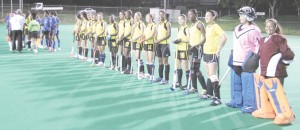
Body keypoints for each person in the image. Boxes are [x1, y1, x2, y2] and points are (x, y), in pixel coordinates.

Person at [226, 6, 261, 113]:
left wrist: (254, 59)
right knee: (236, 82)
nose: (240, 17)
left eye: (242, 15)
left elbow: (258, 46)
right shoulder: (237, 28)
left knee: (248, 84)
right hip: (236, 59)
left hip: (247, 61)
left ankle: (250, 105)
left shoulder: (254, 30)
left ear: (248, 16)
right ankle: (236, 101)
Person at [200, 10, 227, 106]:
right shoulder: (208, 27)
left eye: (208, 16)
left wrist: (219, 48)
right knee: (209, 74)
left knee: (213, 75)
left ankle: (218, 98)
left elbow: (224, 37)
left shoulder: (215, 27)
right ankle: (209, 93)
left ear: (213, 17)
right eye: (205, 15)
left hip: (212, 54)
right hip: (206, 53)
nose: (206, 17)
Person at [259, 19, 294, 85]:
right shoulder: (262, 40)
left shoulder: (278, 38)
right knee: (266, 94)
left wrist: (283, 63)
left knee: (276, 95)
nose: (268, 28)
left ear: (275, 27)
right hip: (264, 73)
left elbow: (289, 54)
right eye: (267, 26)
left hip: (276, 73)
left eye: (270, 26)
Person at [187, 9, 207, 93]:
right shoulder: (192, 25)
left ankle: (205, 89)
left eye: (191, 14)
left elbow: (205, 37)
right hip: (191, 48)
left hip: (197, 49)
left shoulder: (200, 24)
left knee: (196, 69)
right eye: (188, 15)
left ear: (196, 14)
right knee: (191, 69)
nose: (189, 16)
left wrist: (197, 45)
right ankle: (194, 88)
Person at [153, 10, 171, 85]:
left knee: (165, 62)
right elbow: (156, 33)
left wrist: (159, 40)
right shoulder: (158, 24)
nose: (161, 16)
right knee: (160, 61)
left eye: (162, 15)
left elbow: (168, 35)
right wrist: (155, 40)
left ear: (165, 16)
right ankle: (160, 77)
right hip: (158, 45)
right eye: (160, 15)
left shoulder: (167, 23)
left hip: (165, 45)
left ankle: (166, 79)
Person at [173, 14, 190, 89]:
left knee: (186, 67)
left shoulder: (186, 28)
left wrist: (181, 40)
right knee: (178, 66)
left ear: (185, 20)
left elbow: (189, 40)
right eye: (179, 19)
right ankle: (179, 82)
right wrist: (176, 41)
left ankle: (188, 84)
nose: (180, 21)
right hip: (178, 49)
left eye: (181, 19)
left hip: (184, 50)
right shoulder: (179, 28)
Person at [131, 12, 145, 78]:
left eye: (137, 16)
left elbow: (142, 33)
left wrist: (135, 38)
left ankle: (142, 72)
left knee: (138, 57)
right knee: (137, 57)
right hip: (134, 42)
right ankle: (139, 71)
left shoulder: (141, 24)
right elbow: (132, 33)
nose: (136, 17)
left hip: (139, 42)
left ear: (140, 17)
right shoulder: (134, 24)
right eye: (135, 16)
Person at [143, 13, 157, 79]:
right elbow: (144, 34)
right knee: (147, 59)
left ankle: (152, 75)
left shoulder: (153, 25)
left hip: (151, 44)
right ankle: (149, 73)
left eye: (148, 17)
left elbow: (152, 35)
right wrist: (141, 39)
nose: (147, 19)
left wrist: (145, 39)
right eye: (146, 18)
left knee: (151, 60)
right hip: (145, 43)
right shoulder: (147, 25)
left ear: (151, 18)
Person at [122, 10, 134, 74]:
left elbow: (132, 30)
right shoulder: (126, 21)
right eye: (125, 14)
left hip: (129, 39)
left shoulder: (132, 20)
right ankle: (127, 68)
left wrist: (125, 36)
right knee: (125, 54)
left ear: (130, 14)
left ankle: (130, 69)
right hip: (125, 38)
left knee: (127, 53)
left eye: (127, 14)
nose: (126, 15)